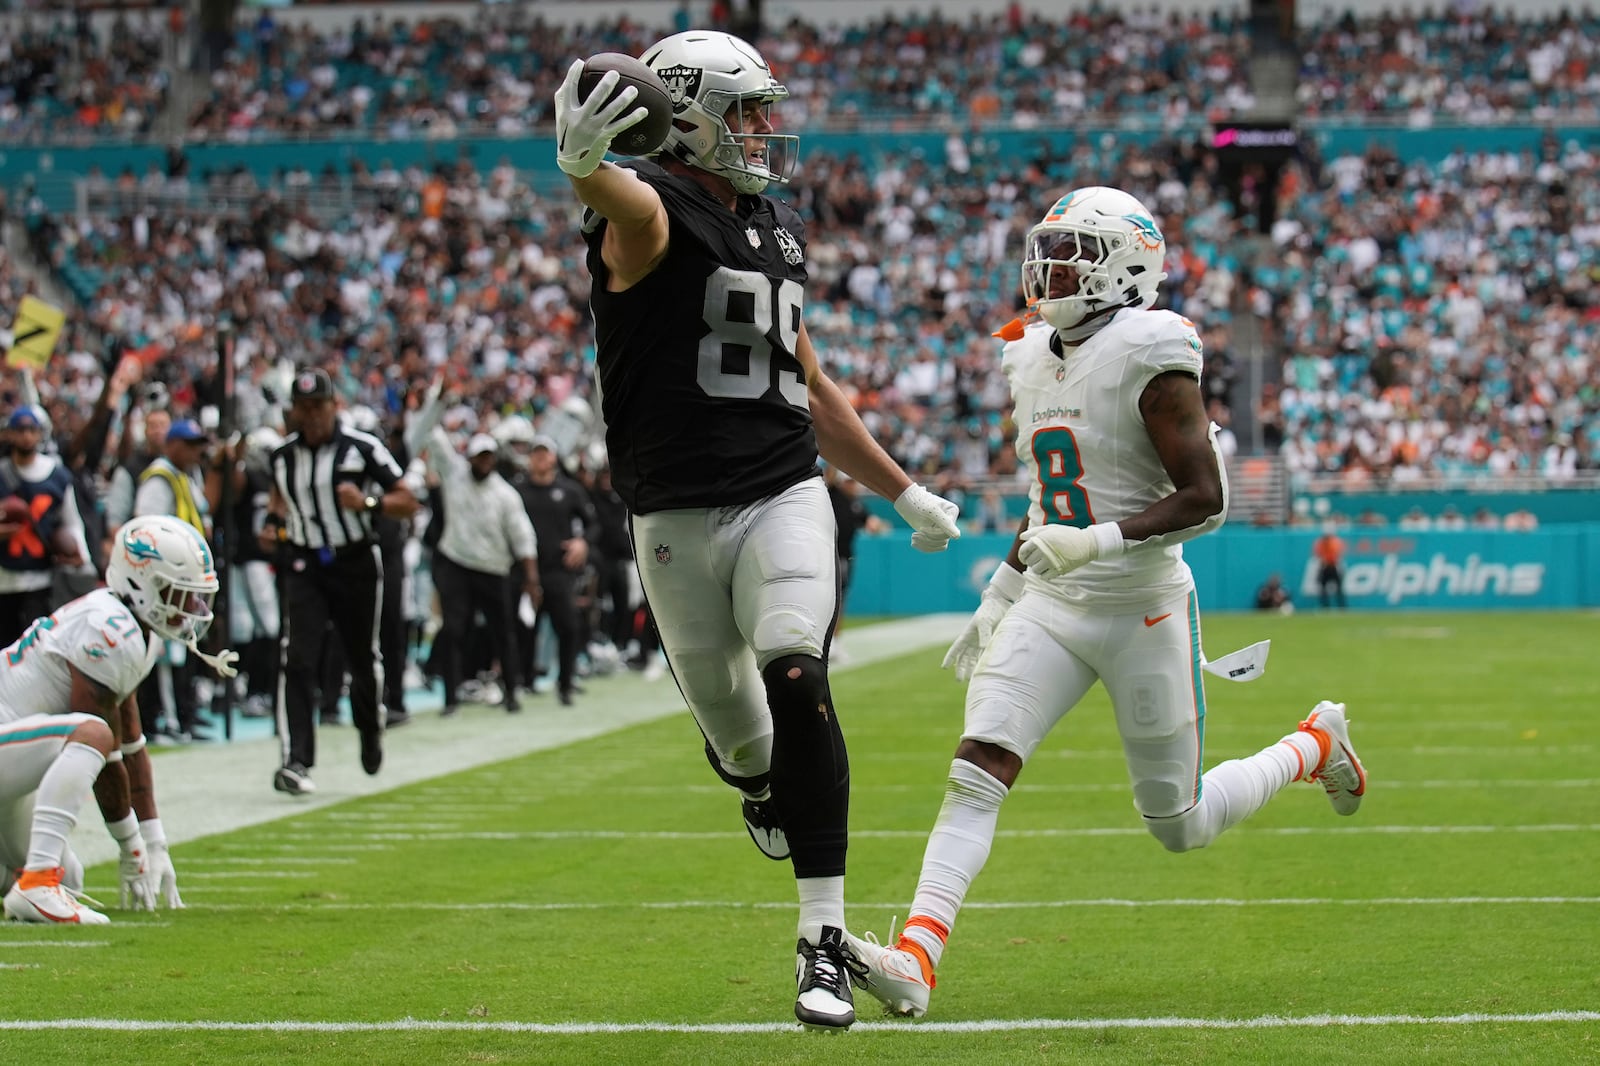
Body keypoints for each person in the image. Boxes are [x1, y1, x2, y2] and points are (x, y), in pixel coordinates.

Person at [844, 187, 1366, 1019]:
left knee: (1180, 823)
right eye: (1046, 250)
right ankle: (916, 957)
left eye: (1073, 252)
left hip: (1143, 605)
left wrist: (1098, 542)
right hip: (1052, 603)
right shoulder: (1028, 353)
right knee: (977, 770)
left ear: (1127, 264)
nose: (1048, 268)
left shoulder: (1151, 348)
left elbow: (1208, 497)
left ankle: (1312, 744)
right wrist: (1000, 593)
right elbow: (1047, 503)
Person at [553, 28, 962, 1029]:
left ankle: (819, 944)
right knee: (746, 748)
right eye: (744, 110)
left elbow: (808, 382)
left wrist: (902, 490)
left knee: (797, 671)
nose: (764, 128)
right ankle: (758, 787)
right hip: (672, 516)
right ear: (687, 115)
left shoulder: (777, 226)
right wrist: (581, 164)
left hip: (782, 490)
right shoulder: (655, 209)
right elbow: (624, 200)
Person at [0, 515, 234, 923]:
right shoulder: (108, 628)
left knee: (70, 879)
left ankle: (33, 881)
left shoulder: (131, 628)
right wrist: (129, 844)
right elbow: (102, 749)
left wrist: (154, 841)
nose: (191, 609)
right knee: (90, 734)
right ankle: (37, 881)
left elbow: (132, 744)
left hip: (11, 757)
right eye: (177, 593)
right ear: (141, 582)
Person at [261, 368, 417, 796]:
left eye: (319, 406)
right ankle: (296, 759)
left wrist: (369, 501)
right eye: (304, 408)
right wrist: (273, 523)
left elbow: (408, 500)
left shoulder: (363, 448)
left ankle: (370, 729)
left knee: (361, 659)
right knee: (298, 659)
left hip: (355, 562)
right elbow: (279, 497)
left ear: (334, 406)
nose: (311, 416)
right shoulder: (283, 456)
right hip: (305, 562)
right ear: (293, 411)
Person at [406, 385, 538, 716]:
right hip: (456, 562)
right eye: (478, 456)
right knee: (452, 629)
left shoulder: (505, 494)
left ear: (494, 459)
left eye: (488, 456)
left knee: (502, 631)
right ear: (470, 458)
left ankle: (512, 692)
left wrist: (531, 578)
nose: (483, 462)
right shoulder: (454, 475)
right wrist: (434, 402)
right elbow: (431, 436)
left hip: (493, 568)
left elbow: (523, 536)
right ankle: (450, 698)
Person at [0, 405, 88, 648]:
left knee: (37, 647)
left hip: (41, 577)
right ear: (10, 433)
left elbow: (71, 521)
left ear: (39, 433)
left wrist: (81, 555)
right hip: (4, 575)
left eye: (31, 429)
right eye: (20, 430)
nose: (26, 436)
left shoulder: (56, 475)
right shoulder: (2, 474)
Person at [513, 435, 592, 707]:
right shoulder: (518, 491)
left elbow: (593, 525)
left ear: (554, 457)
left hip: (559, 571)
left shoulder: (569, 490)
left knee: (568, 627)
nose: (540, 458)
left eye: (544, 453)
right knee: (524, 629)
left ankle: (566, 683)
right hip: (524, 572)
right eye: (535, 453)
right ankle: (523, 681)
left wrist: (582, 542)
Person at [823, 465, 886, 663]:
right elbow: (829, 475)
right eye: (849, 482)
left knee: (840, 600)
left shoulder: (855, 504)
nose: (853, 486)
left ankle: (836, 643)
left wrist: (876, 524)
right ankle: (824, 644)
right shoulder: (830, 494)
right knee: (826, 600)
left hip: (844, 557)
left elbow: (871, 523)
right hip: (824, 556)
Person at [1312, 524, 1346, 609]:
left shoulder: (1335, 542)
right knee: (1323, 588)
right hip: (1324, 567)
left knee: (1339, 589)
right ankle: (1325, 607)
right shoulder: (1321, 542)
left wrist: (1327, 559)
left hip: (1333, 566)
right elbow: (1318, 554)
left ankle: (1342, 607)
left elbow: (1336, 554)